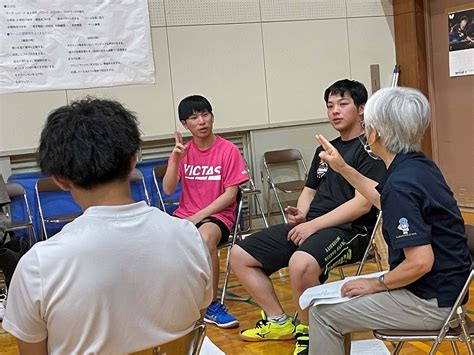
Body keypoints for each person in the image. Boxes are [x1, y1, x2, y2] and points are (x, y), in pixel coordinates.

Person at [2, 98, 212, 354]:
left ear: (59, 179)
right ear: (133, 160)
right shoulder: (190, 237)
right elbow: (197, 317)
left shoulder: (38, 266)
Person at [230, 79, 386, 355]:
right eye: (330, 106)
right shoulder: (324, 149)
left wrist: (312, 225)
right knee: (240, 254)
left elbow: (362, 205)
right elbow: (309, 190)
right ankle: (279, 322)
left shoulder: (372, 150)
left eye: (343, 104)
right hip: (312, 226)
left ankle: (309, 332)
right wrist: (301, 214)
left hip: (350, 232)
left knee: (300, 263)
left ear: (361, 109)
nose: (335, 111)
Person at [310, 87, 471, 354]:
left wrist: (376, 284)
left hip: (430, 303)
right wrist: (343, 168)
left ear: (375, 133)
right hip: (447, 294)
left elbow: (420, 262)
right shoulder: (417, 166)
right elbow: (385, 199)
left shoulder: (401, 184)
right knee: (335, 304)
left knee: (323, 314)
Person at [163, 95, 249, 328]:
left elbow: (230, 195)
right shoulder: (183, 151)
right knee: (158, 240)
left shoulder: (228, 150)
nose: (201, 121)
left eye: (205, 115)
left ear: (212, 117)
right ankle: (177, 302)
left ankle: (211, 305)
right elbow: (168, 189)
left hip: (218, 216)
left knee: (204, 239)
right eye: (194, 117)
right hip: (185, 215)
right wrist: (174, 160)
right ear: (184, 124)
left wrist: (197, 217)